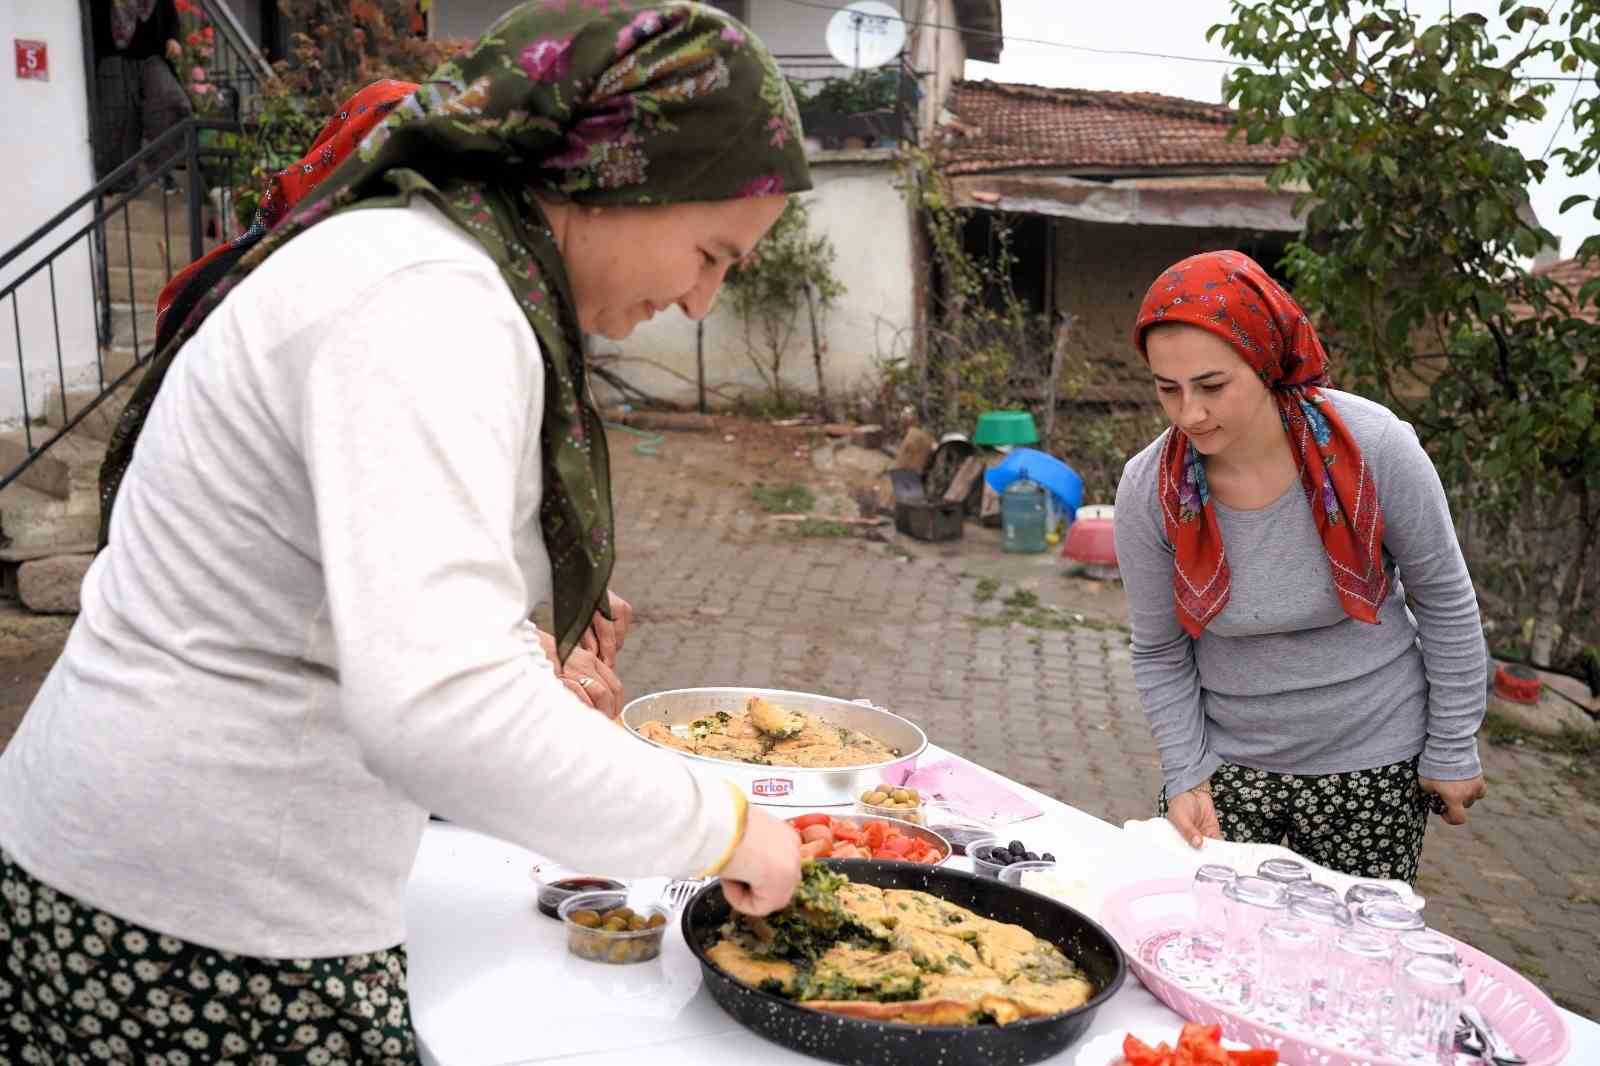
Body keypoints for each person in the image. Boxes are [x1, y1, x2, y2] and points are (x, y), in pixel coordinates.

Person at [0, 4, 809, 1062]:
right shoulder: (433, 299)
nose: (702, 300)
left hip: (137, 869)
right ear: (626, 169)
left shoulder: (420, 267)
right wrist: (725, 824)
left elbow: (352, 592)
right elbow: (439, 708)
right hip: (202, 918)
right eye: (711, 253)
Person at [148, 76, 634, 717]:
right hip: (222, 702)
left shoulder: (399, 291)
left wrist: (556, 580)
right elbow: (351, 562)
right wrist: (514, 649)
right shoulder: (319, 306)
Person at [1114, 250, 1488, 883]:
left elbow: (1445, 601)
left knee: (1348, 965)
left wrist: (1452, 744)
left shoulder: (1373, 447)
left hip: (1374, 763)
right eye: (1166, 389)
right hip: (1226, 767)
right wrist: (1185, 773)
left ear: (1264, 362)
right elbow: (1159, 651)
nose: (1190, 414)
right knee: (1205, 950)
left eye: (1211, 386)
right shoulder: (1150, 488)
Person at [90, 0, 194, 192]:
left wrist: (173, 39)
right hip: (113, 58)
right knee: (121, 120)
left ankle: (162, 168)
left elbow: (171, 19)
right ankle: (119, 182)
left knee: (172, 102)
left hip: (151, 58)